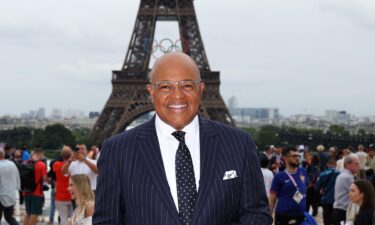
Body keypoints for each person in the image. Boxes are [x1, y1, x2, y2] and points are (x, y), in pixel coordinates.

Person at [93, 52, 272, 225]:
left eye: (186, 85)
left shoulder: (238, 144)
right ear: (151, 91)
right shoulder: (117, 151)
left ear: (200, 89)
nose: (177, 95)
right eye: (165, 86)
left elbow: (255, 213)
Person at [269, 147, 309, 225]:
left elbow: (304, 188)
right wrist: (269, 216)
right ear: (285, 158)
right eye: (294, 156)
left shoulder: (303, 172)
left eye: (298, 156)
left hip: (300, 216)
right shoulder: (279, 176)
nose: (297, 158)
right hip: (284, 217)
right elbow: (272, 198)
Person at [332, 155, 360, 225]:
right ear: (348, 165)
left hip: (340, 211)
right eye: (356, 164)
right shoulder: (347, 177)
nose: (359, 166)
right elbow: (360, 193)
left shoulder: (344, 175)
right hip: (343, 212)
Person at [23, 148, 48, 225]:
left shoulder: (25, 163)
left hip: (26, 191)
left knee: (28, 213)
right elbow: (45, 179)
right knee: (34, 213)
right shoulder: (42, 164)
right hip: (36, 192)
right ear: (39, 154)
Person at [315, 157, 339, 225]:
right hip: (337, 199)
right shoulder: (340, 173)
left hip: (326, 198)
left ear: (327, 164)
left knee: (327, 218)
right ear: (336, 164)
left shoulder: (323, 174)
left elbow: (317, 187)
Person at [0, 148, 20, 225]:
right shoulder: (12, 164)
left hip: (1, 196)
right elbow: (18, 178)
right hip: (10, 195)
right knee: (9, 218)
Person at [54, 146, 74, 225]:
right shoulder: (74, 165)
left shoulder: (56, 164)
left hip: (60, 196)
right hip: (72, 195)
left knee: (63, 218)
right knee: (74, 219)